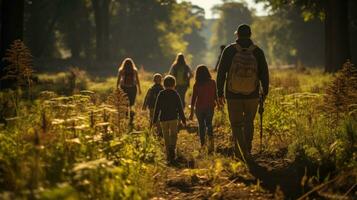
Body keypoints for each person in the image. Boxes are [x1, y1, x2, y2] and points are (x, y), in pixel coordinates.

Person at [216, 24, 269, 160]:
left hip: (233, 94)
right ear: (250, 34)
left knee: (236, 124)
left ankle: (240, 152)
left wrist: (219, 93)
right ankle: (248, 149)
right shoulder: (257, 52)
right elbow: (264, 74)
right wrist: (264, 92)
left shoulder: (229, 50)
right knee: (248, 122)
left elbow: (221, 72)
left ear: (237, 35)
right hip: (252, 94)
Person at [152, 75, 186, 164]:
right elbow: (180, 107)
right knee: (174, 134)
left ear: (164, 84)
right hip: (173, 118)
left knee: (166, 135)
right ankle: (172, 149)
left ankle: (168, 154)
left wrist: (154, 120)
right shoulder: (175, 94)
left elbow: (157, 108)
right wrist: (183, 119)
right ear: (174, 84)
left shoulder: (161, 93)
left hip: (163, 118)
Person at [189, 65, 217, 154]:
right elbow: (215, 95)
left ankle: (203, 145)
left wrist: (191, 112)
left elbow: (193, 99)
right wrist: (219, 104)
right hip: (210, 107)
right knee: (209, 125)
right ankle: (211, 146)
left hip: (199, 108)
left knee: (201, 126)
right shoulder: (212, 82)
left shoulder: (197, 84)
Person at [116, 58, 142, 125]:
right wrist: (139, 89)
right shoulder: (134, 70)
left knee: (125, 102)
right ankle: (131, 116)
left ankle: (126, 115)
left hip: (124, 87)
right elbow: (137, 80)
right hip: (133, 88)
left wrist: (117, 88)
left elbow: (118, 80)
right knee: (131, 103)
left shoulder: (121, 70)